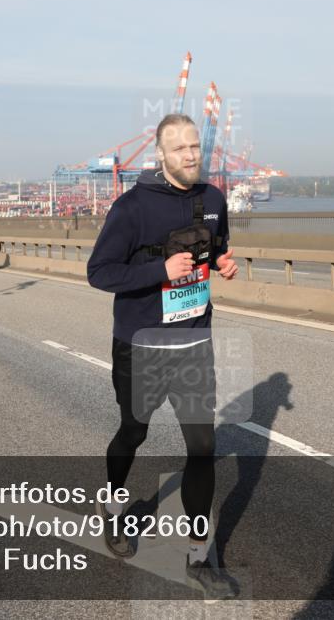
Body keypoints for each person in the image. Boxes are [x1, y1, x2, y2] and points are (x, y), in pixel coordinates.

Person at [86, 114, 239, 600]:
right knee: (134, 431)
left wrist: (222, 262)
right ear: (161, 155)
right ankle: (111, 505)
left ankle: (198, 555)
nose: (191, 155)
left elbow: (216, 249)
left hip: (194, 340)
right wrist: (160, 270)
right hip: (141, 343)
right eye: (180, 149)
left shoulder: (213, 199)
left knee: (202, 448)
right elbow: (100, 272)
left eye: (195, 146)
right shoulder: (131, 208)